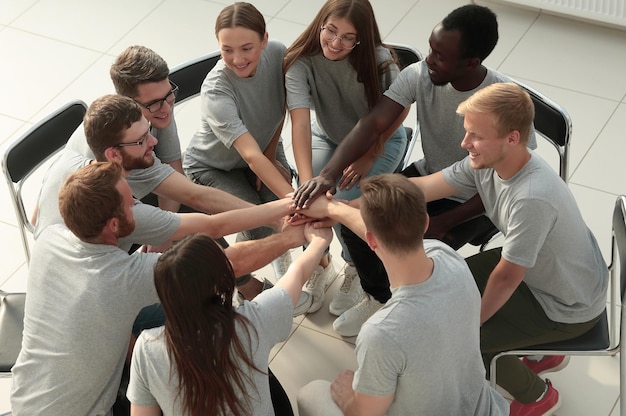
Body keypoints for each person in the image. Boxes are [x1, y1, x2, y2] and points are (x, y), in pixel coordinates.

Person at [292, 4, 537, 336]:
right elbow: (373, 122)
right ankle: (380, 297)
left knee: (408, 248)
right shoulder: (420, 73)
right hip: (429, 178)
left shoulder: (502, 101)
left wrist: (445, 221)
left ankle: (408, 314)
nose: (429, 59)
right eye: (431, 48)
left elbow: (511, 184)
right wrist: (327, 175)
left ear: (471, 63)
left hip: (478, 201)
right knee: (355, 218)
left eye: (439, 55)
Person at [10, 162, 307, 416]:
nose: (138, 206)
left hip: (27, 397)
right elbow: (225, 264)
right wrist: (291, 238)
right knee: (208, 320)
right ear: (113, 225)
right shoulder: (122, 278)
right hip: (85, 410)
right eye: (131, 204)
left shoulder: (51, 236)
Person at [400, 83, 605, 415]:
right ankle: (542, 355)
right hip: (545, 270)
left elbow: (507, 279)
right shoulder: (488, 162)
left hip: (564, 305)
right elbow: (424, 186)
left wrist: (469, 326)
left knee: (459, 341)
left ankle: (538, 396)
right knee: (445, 287)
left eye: (475, 136)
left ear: (512, 138)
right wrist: (367, 194)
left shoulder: (532, 197)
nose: (465, 144)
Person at [295, 174, 508, 416]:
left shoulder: (380, 332)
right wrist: (332, 209)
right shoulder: (448, 256)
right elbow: (382, 234)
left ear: (370, 240)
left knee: (311, 393)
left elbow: (364, 413)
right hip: (485, 408)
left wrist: (347, 397)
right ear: (426, 222)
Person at [34, 94, 283, 301]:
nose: (153, 140)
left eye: (149, 130)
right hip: (94, 295)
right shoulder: (125, 211)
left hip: (49, 277)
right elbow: (215, 228)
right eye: (143, 140)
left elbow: (35, 216)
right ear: (114, 155)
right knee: (203, 309)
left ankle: (243, 287)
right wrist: (284, 217)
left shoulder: (85, 143)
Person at [183, 2, 314, 312]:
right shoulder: (216, 90)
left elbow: (280, 107)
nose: (237, 59)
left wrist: (272, 155)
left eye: (246, 48)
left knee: (283, 210)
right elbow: (250, 156)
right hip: (214, 166)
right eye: (226, 50)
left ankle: (294, 259)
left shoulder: (279, 53)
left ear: (265, 40)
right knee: (262, 222)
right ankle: (248, 283)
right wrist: (295, 200)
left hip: (263, 145)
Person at [283, 0, 408, 317]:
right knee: (311, 194)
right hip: (327, 136)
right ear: (320, 23)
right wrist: (308, 179)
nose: (336, 43)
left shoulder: (379, 62)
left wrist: (369, 155)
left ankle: (354, 267)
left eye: (348, 37)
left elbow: (401, 109)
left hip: (379, 141)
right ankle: (320, 261)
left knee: (344, 200)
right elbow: (299, 122)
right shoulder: (301, 61)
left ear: (361, 39)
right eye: (331, 31)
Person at [126, 225, 332, 415]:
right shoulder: (253, 321)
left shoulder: (146, 349)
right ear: (219, 284)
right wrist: (319, 240)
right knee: (314, 392)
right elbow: (297, 273)